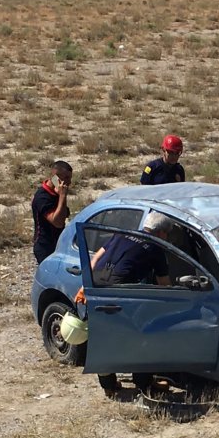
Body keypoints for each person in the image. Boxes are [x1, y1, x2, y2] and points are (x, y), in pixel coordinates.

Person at [88, 211, 173, 396]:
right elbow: (164, 284)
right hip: (121, 290)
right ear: (161, 233)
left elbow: (95, 258)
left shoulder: (122, 234)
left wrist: (87, 285)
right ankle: (144, 384)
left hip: (96, 284)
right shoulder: (155, 247)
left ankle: (109, 386)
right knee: (142, 337)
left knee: (103, 337)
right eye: (167, 235)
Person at [31, 160, 72, 264]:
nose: (69, 182)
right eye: (66, 178)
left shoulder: (56, 193)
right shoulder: (42, 197)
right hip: (45, 247)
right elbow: (57, 222)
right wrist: (62, 196)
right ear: (56, 177)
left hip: (57, 243)